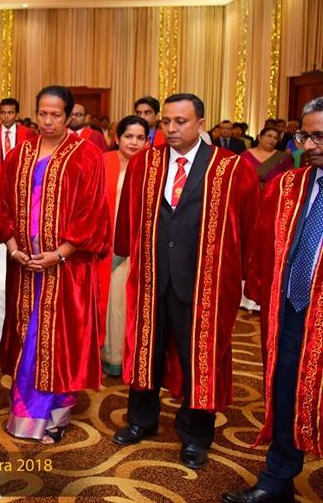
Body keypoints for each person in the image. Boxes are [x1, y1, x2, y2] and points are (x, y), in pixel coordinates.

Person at [113, 93, 259, 470]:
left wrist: (243, 273)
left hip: (204, 283)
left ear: (200, 123)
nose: (172, 129)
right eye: (166, 122)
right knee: (147, 350)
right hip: (152, 276)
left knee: (200, 358)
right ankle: (141, 420)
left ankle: (196, 434)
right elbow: (128, 214)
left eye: (181, 121)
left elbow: (249, 223)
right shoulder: (146, 162)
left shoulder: (230, 168)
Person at [0, 86, 110, 443]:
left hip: (66, 269)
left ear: (69, 116)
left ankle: (54, 413)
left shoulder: (86, 155)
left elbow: (91, 213)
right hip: (24, 266)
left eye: (55, 115)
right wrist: (14, 249)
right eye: (42, 113)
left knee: (57, 340)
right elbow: (4, 206)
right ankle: (27, 414)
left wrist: (60, 253)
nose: (47, 121)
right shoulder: (20, 154)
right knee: (27, 338)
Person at [227, 97, 323, 503]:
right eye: (305, 136)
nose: (309, 145)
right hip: (290, 311)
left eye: (319, 136)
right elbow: (264, 244)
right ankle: (277, 478)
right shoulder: (290, 185)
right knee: (283, 392)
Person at [98, 115, 149, 377]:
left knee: (129, 303)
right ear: (117, 138)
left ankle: (129, 358)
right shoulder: (102, 162)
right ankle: (108, 355)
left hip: (139, 246)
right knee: (108, 302)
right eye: (128, 136)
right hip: (104, 245)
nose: (134, 142)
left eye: (140, 138)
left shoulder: (153, 166)